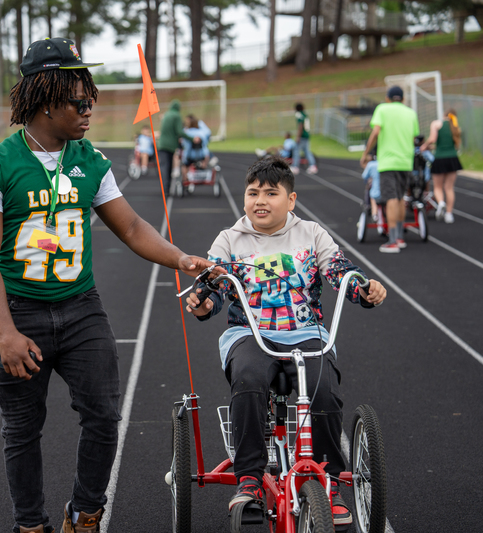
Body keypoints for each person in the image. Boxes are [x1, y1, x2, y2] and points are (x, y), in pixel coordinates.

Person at [0, 37, 213, 533]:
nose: (89, 109)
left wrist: (181, 258)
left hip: (81, 308)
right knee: (22, 431)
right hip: (21, 311)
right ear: (45, 98)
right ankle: (30, 524)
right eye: (79, 101)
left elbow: (132, 228)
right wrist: (5, 331)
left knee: (103, 416)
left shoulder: (90, 160)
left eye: (91, 99)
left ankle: (85, 512)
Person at [184, 156, 387, 531]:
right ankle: (249, 477)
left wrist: (364, 289)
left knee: (324, 388)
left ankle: (327, 480)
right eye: (253, 193)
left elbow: (340, 271)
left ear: (291, 200)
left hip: (306, 332)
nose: (260, 200)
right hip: (250, 333)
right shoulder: (230, 239)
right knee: (247, 377)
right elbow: (215, 284)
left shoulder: (312, 234)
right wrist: (204, 302)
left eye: (271, 193)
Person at [360, 86, 419, 253]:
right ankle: (399, 237)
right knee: (400, 198)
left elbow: (376, 131)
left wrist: (365, 153)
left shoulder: (382, 109)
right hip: (406, 162)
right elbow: (414, 136)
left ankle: (392, 241)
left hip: (388, 162)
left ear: (387, 98)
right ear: (403, 99)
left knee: (391, 199)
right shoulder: (411, 113)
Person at [420, 110, 463, 223]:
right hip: (453, 158)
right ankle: (449, 214)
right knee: (449, 188)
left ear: (444, 115)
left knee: (438, 187)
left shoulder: (436, 124)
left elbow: (433, 139)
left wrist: (425, 145)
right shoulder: (455, 127)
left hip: (439, 158)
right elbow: (450, 145)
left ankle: (441, 203)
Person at [156, 99, 198, 197]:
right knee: (168, 167)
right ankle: (166, 189)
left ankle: (165, 189)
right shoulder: (176, 116)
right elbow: (179, 131)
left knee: (164, 167)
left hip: (161, 144)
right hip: (170, 145)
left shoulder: (166, 114)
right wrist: (192, 138)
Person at [180, 114, 211, 180]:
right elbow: (205, 143)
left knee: (184, 164)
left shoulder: (186, 133)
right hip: (201, 155)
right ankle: (204, 165)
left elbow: (183, 144)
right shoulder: (202, 133)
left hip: (189, 156)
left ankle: (185, 179)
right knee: (206, 151)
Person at [292, 103, 318, 175]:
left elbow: (300, 126)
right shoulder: (305, 114)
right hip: (307, 135)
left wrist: (298, 137)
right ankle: (313, 165)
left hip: (302, 136)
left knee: (296, 151)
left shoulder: (299, 115)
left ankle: (295, 167)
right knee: (307, 151)